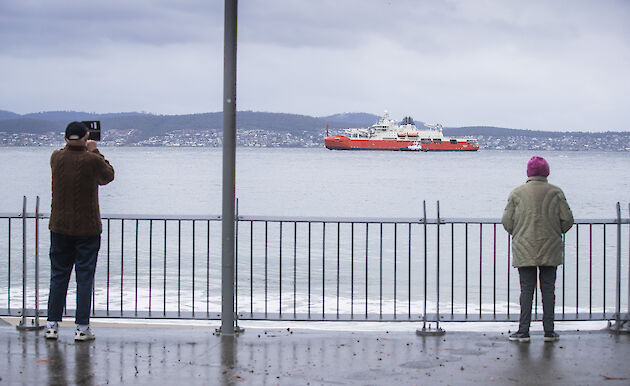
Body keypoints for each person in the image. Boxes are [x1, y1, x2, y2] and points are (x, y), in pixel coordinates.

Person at [45, 121, 114, 341]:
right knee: (84, 278)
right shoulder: (92, 159)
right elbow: (108, 176)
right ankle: (82, 328)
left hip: (59, 227)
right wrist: (94, 149)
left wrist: (79, 145)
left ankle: (51, 325)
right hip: (88, 229)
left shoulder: (56, 157)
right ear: (86, 136)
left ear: (65, 138)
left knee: (58, 276)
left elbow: (67, 153)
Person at [502, 156, 573, 343]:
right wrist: (556, 230)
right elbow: (567, 220)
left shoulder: (517, 193)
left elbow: (507, 222)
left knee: (526, 290)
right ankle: (549, 331)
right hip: (550, 248)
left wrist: (518, 232)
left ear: (528, 172)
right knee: (548, 290)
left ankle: (523, 331)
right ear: (546, 172)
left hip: (525, 248)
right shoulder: (556, 192)